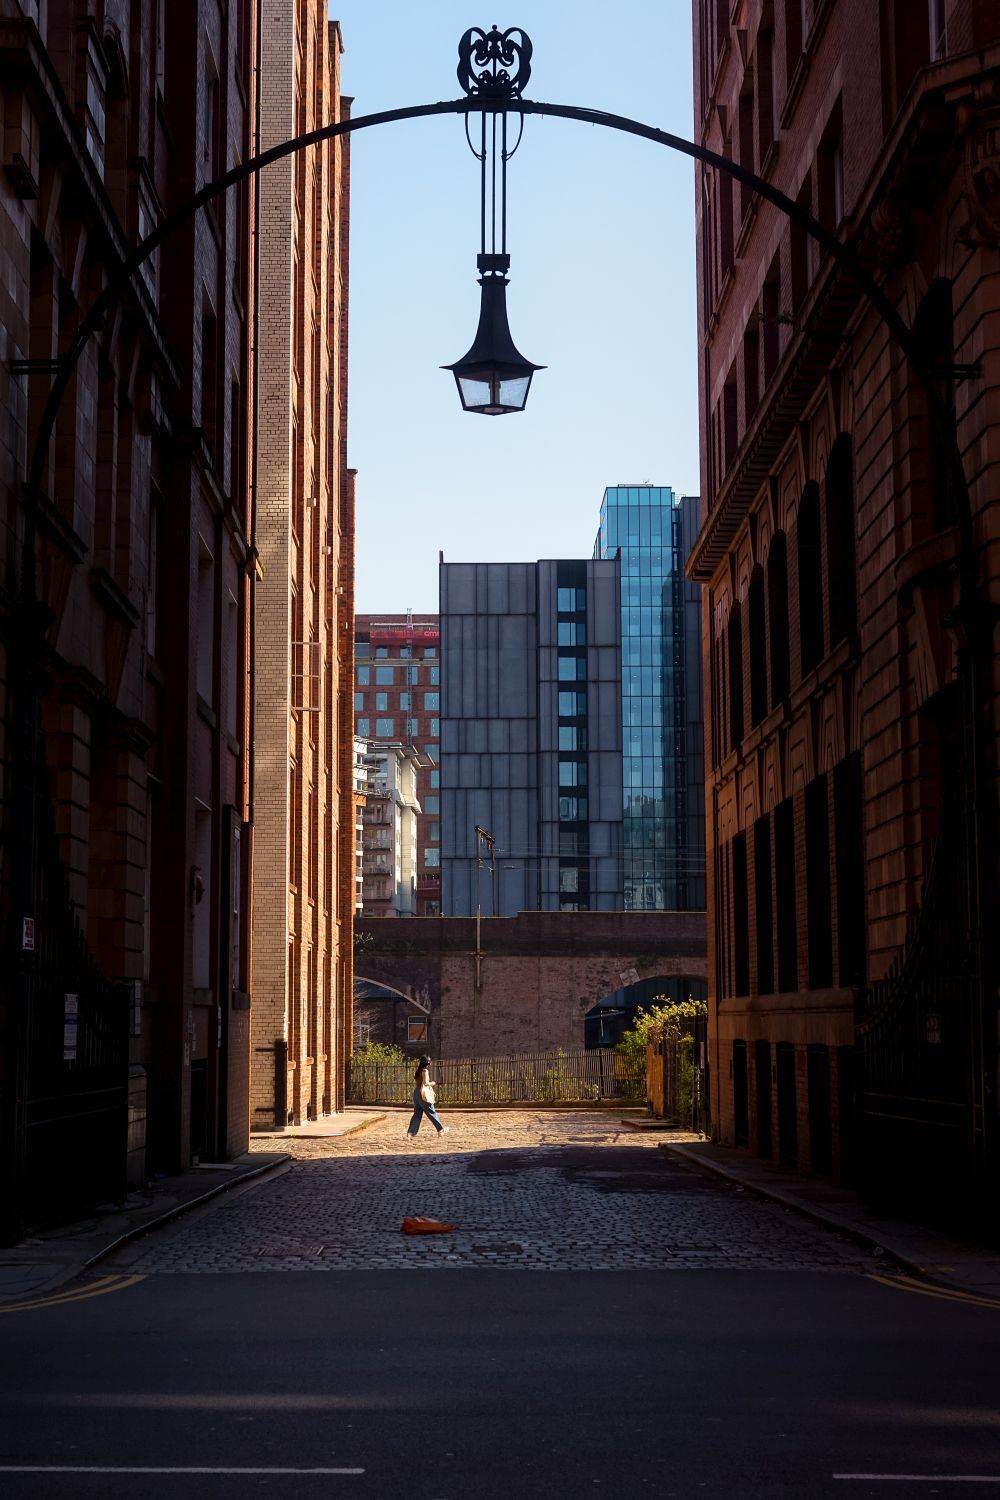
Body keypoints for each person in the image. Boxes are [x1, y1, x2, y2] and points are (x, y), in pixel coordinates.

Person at [407, 1054, 449, 1139]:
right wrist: (433, 1083)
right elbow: (426, 1083)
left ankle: (411, 1132)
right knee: (431, 1112)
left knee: (417, 1114)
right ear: (427, 1063)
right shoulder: (425, 1071)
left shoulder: (418, 1071)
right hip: (423, 1093)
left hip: (416, 1093)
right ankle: (440, 1130)